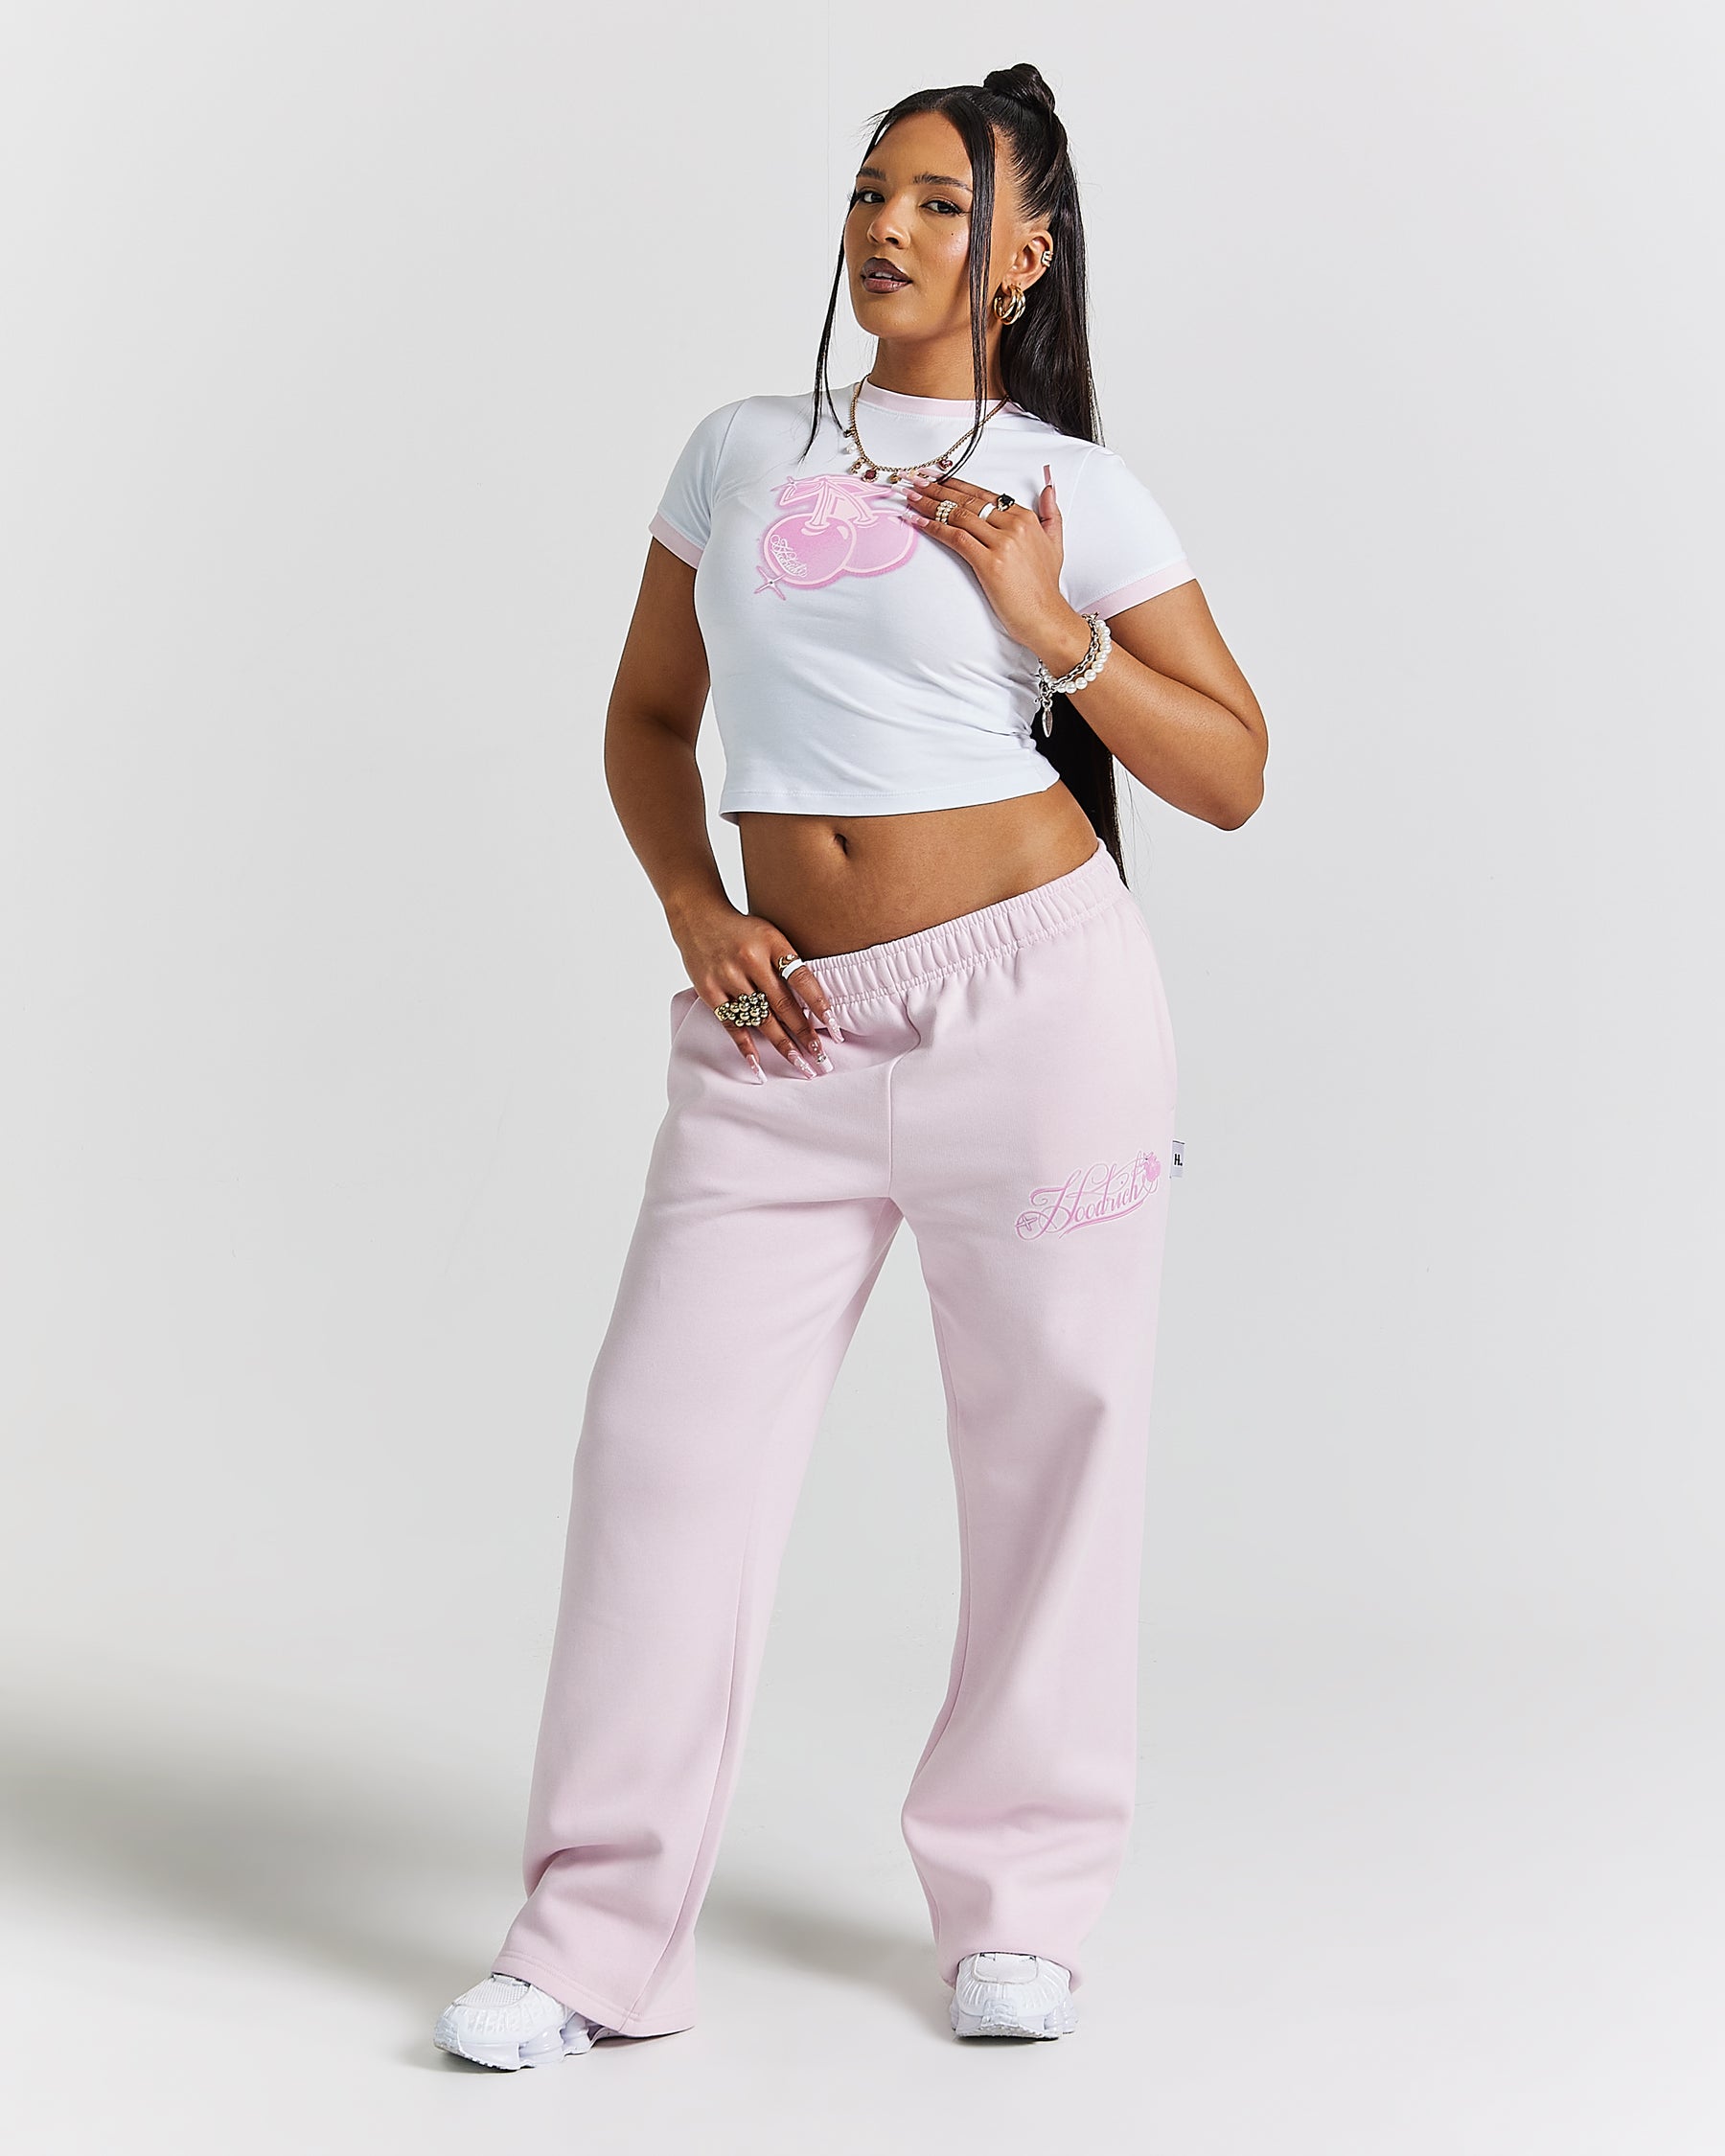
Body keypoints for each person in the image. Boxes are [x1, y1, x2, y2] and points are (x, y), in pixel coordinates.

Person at [434, 60, 1266, 2069]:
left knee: (1053, 1455)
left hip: (1037, 1013)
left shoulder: (1072, 490)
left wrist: (1053, 626)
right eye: (872, 190)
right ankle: (592, 1940)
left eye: (940, 203)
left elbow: (1234, 767)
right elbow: (649, 719)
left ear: (1022, 254)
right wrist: (694, 910)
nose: (888, 228)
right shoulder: (739, 451)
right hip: (778, 1035)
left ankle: (1021, 1909)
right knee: (662, 1457)